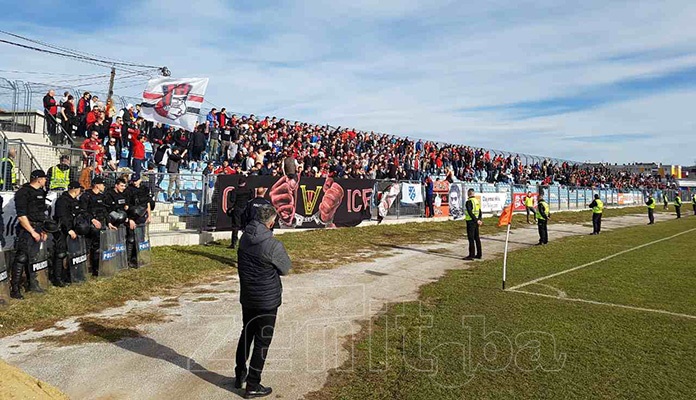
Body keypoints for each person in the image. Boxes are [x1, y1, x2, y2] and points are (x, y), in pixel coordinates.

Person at [234, 205, 292, 398]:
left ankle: (239, 373)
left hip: (248, 295)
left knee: (246, 333)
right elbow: (285, 268)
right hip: (266, 300)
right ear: (271, 222)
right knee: (262, 341)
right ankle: (253, 384)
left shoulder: (244, 238)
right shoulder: (273, 244)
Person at [10, 170, 49, 299]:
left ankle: (33, 283)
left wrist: (43, 230)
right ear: (38, 179)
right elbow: (21, 216)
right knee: (22, 258)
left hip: (38, 228)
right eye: (44, 178)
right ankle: (15, 289)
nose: (45, 181)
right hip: (27, 229)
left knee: (34, 257)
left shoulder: (40, 192)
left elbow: (41, 213)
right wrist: (32, 231)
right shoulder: (23, 192)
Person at [52, 181, 83, 286]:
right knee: (61, 254)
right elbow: (62, 216)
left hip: (74, 231)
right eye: (79, 189)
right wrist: (69, 229)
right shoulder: (62, 201)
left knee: (74, 253)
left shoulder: (75, 201)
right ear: (75, 189)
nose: (80, 191)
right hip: (62, 231)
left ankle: (70, 276)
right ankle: (58, 279)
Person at [80, 176, 109, 276]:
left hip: (101, 224)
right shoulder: (86, 196)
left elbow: (104, 211)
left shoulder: (102, 196)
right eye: (102, 184)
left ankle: (97, 268)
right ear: (96, 185)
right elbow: (83, 211)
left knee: (99, 247)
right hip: (90, 226)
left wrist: (109, 222)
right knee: (87, 247)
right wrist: (92, 219)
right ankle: (85, 268)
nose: (104, 186)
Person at [125, 174, 152, 268]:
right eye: (133, 181)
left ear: (140, 180)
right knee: (131, 240)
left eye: (136, 180)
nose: (135, 182)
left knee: (140, 239)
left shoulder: (144, 189)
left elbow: (147, 203)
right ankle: (128, 261)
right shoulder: (128, 190)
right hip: (132, 218)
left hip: (142, 217)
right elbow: (126, 207)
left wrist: (149, 215)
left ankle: (135, 259)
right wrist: (130, 219)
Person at [227, 177, 252, 249]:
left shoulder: (235, 191)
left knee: (235, 226)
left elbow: (232, 200)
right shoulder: (248, 191)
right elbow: (250, 199)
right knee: (246, 226)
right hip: (245, 209)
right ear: (245, 183)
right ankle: (247, 242)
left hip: (237, 209)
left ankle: (233, 243)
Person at [463, 188, 482, 260]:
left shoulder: (469, 202)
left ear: (468, 194)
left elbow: (470, 212)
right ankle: (479, 254)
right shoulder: (476, 201)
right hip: (476, 221)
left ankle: (471, 255)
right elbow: (480, 211)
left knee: (471, 238)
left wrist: (476, 220)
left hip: (471, 221)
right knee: (477, 238)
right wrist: (479, 219)